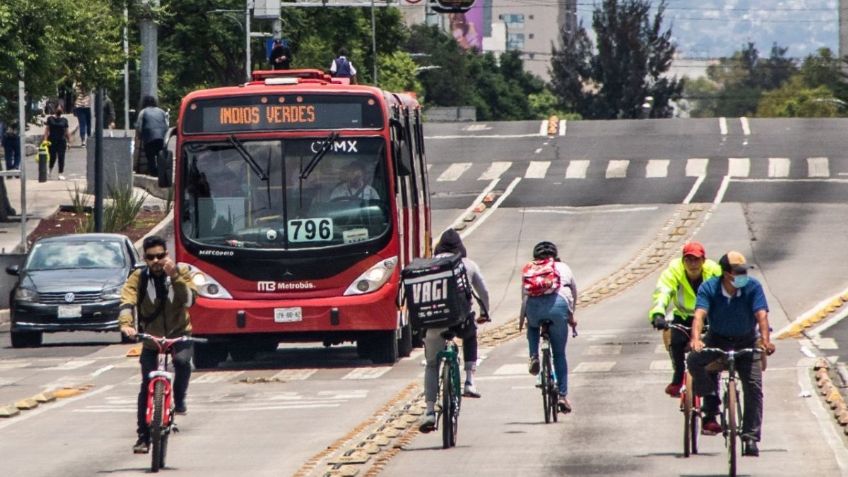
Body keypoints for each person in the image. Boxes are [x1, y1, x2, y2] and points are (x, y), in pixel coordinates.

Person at [687, 251, 776, 457]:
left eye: (744, 271)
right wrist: (696, 339)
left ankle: (750, 437)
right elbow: (699, 316)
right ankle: (710, 396)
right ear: (726, 273)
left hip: (747, 339)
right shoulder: (709, 288)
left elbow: (761, 316)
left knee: (753, 387)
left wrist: (765, 341)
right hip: (716, 338)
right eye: (738, 272)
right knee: (693, 360)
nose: (742, 275)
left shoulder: (753, 287)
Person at [119, 235, 198, 454]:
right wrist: (126, 325)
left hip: (179, 335)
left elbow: (190, 300)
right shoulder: (139, 277)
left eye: (160, 256)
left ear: (167, 255)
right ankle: (143, 437)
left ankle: (179, 400)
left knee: (182, 362)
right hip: (152, 339)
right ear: (145, 259)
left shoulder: (181, 271)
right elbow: (127, 301)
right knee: (146, 385)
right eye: (151, 257)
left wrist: (175, 277)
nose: (156, 261)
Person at [419, 229, 490, 432]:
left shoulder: (428, 266)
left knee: (432, 364)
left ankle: (430, 411)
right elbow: (483, 292)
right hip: (461, 322)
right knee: (470, 336)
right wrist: (485, 312)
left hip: (434, 322)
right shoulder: (468, 264)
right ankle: (469, 381)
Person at [649, 241, 722, 397]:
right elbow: (663, 291)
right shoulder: (674, 271)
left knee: (712, 352)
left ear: (703, 260)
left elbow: (726, 291)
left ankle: (712, 389)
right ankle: (678, 378)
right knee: (675, 342)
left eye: (696, 260)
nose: (693, 264)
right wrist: (658, 314)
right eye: (688, 260)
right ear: (683, 261)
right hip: (683, 317)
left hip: (708, 317)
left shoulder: (714, 270)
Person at [520, 241, 577, 413]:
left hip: (534, 308)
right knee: (559, 354)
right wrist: (571, 316)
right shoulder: (563, 267)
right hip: (558, 307)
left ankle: (534, 356)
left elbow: (524, 296)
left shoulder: (530, 268)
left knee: (532, 327)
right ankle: (562, 396)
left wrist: (525, 319)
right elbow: (572, 293)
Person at [135, 95, 169, 177]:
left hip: (149, 136)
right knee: (160, 155)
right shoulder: (162, 111)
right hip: (161, 137)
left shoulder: (143, 112)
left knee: (150, 157)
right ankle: (161, 172)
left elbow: (139, 126)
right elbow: (167, 125)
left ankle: (153, 173)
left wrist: (140, 136)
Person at [43, 105, 71, 180]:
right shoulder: (50, 119)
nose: (59, 110)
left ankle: (60, 174)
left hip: (61, 141)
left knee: (61, 157)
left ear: (62, 110)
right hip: (52, 140)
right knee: (53, 156)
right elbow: (47, 130)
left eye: (60, 108)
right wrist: (45, 140)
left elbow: (67, 131)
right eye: (58, 108)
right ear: (55, 109)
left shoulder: (64, 120)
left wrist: (69, 142)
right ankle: (50, 170)